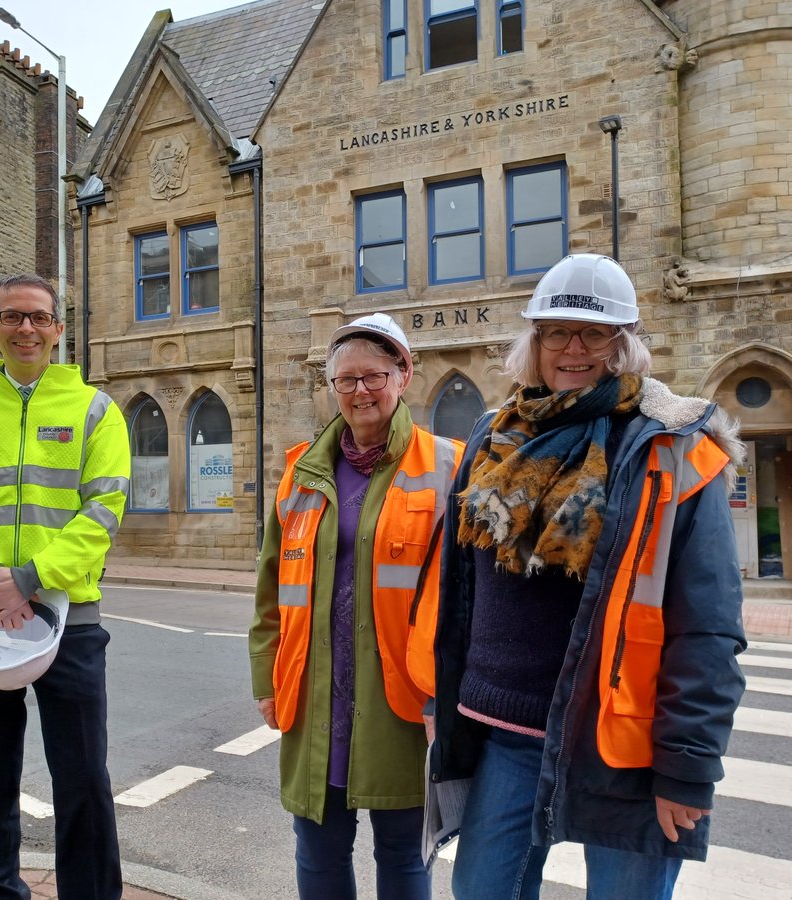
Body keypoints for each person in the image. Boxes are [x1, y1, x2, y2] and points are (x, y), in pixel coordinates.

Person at [430, 253, 747, 899]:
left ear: (622, 344)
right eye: (556, 332)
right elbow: (459, 589)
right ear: (535, 342)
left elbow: (707, 627)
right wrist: (441, 700)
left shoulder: (674, 447)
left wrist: (687, 770)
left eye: (594, 333)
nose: (573, 349)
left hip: (622, 742)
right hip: (506, 736)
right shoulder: (496, 434)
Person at [0, 273, 130, 900]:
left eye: (39, 317)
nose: (26, 328)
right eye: (12, 316)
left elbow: (104, 511)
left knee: (83, 777)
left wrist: (31, 579)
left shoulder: (95, 410)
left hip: (70, 619)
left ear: (58, 329)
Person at [249, 313, 463, 899]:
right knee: (317, 851)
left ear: (404, 376)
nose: (360, 390)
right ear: (332, 387)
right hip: (316, 692)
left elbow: (466, 601)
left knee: (404, 852)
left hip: (405, 700)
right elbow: (271, 587)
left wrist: (446, 694)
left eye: (374, 376)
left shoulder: (450, 465)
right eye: (346, 379)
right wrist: (266, 679)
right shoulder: (301, 472)